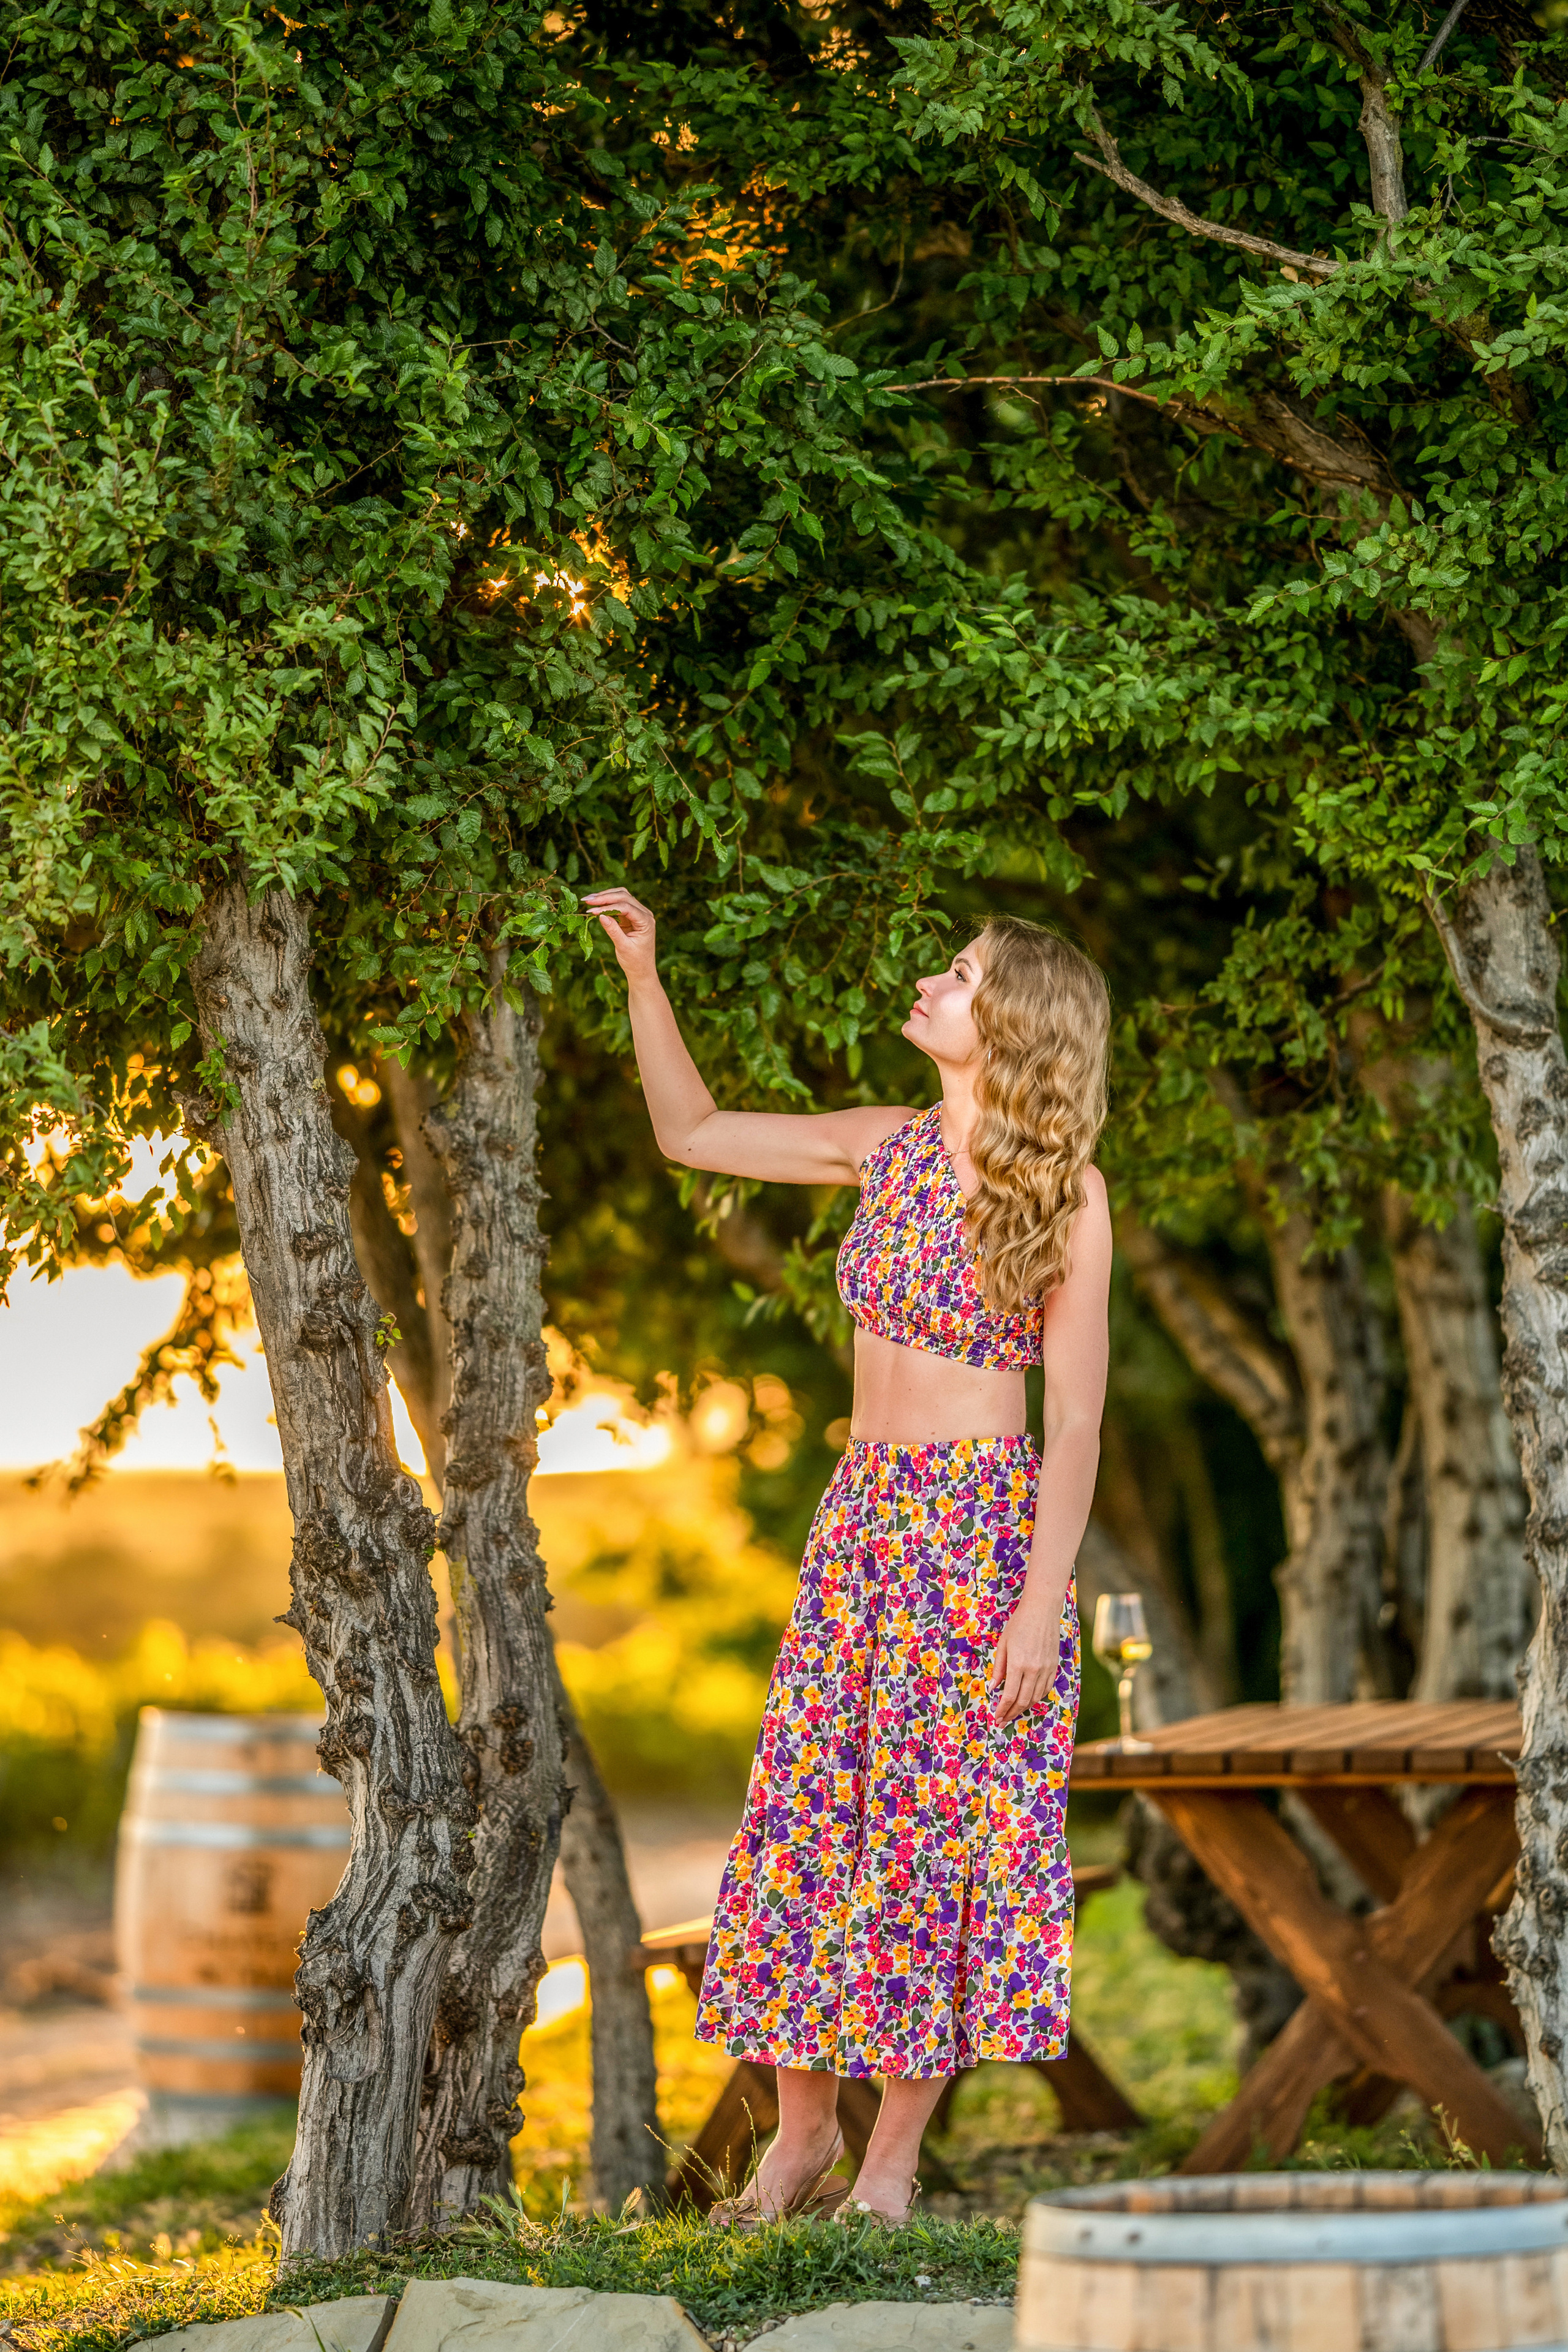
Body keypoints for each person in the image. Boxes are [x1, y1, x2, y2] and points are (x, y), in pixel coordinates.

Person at [584, 888, 1112, 2228]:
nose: (932, 984)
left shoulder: (1063, 1192)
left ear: (1013, 1021)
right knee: (813, 1825)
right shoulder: (881, 1147)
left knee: (934, 1843)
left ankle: (889, 2166)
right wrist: (646, 977)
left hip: (975, 1537)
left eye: (959, 973)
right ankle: (800, 2135)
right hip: (863, 1526)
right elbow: (690, 1133)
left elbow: (1077, 1419)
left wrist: (1040, 1609)